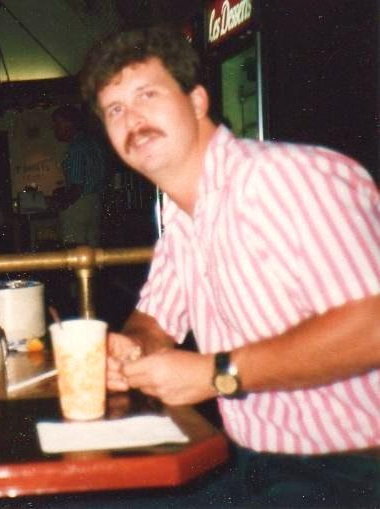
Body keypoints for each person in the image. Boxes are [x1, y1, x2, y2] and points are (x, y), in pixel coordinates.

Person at [80, 26, 379, 506]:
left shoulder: (285, 178)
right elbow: (154, 321)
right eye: (115, 110)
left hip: (354, 470)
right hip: (254, 463)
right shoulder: (184, 213)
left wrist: (216, 373)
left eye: (147, 95)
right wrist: (132, 348)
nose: (132, 119)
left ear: (197, 101)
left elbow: (371, 327)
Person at [51, 104, 107, 247]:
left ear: (69, 124)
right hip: (95, 203)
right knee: (92, 250)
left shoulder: (76, 147)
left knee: (74, 251)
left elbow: (77, 186)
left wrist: (61, 204)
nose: (54, 128)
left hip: (79, 205)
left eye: (57, 123)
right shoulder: (93, 143)